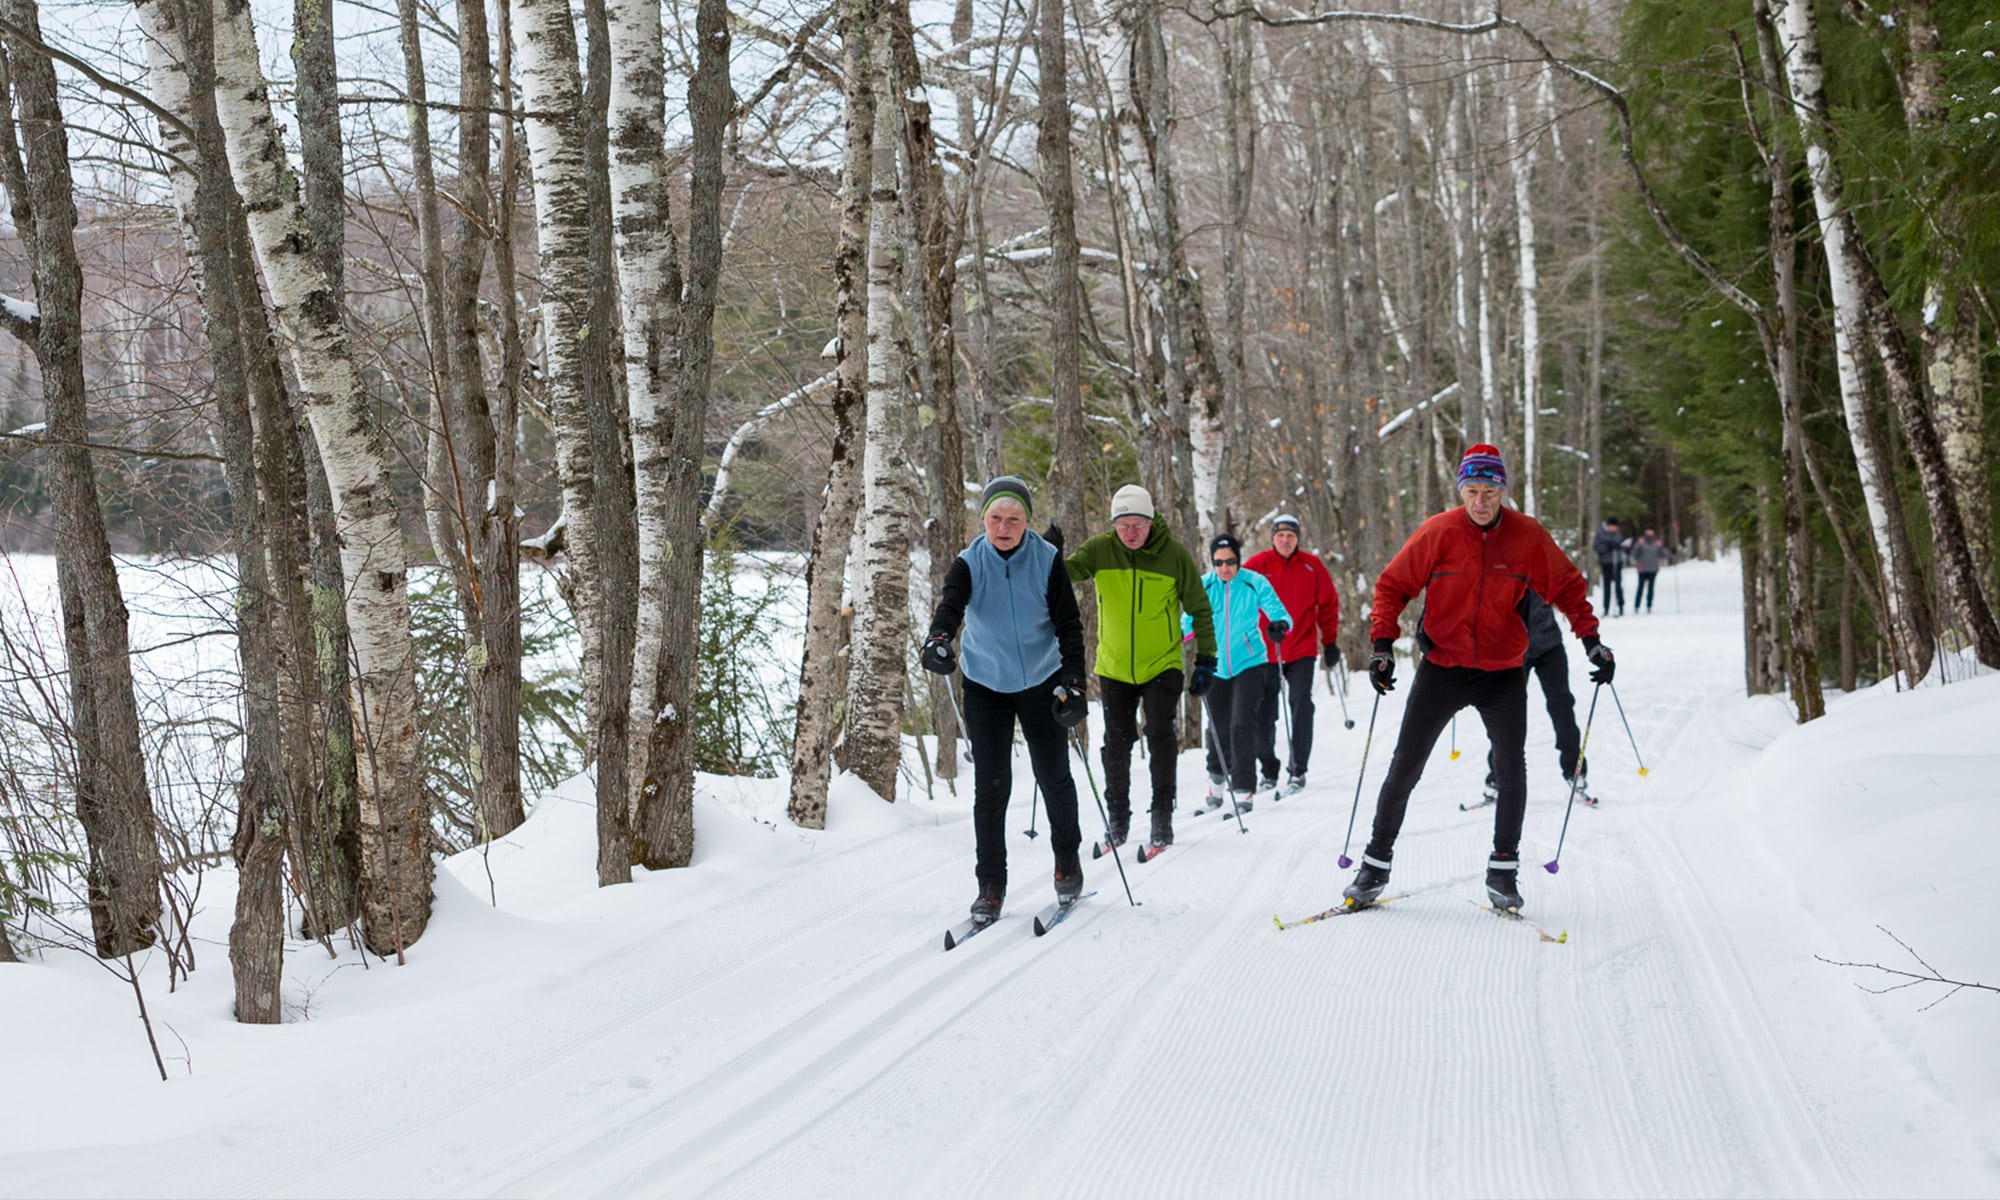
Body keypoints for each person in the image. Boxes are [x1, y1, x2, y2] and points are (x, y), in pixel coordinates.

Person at [1344, 445, 1611, 914]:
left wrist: (1592, 641)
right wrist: (1383, 646)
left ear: (1502, 491)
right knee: (1405, 765)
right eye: (1472, 491)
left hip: (1503, 670)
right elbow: (1392, 586)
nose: (1481, 501)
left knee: (1511, 769)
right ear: (1461, 491)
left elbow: (1568, 587)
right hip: (1443, 667)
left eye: (1490, 492)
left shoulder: (1527, 536)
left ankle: (1503, 870)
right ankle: (1375, 863)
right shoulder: (1438, 532)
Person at [922, 476, 1089, 927]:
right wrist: (938, 640)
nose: (1003, 527)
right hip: (986, 684)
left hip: (1043, 679)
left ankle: (1067, 864)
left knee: (1054, 777)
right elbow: (950, 607)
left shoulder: (1048, 560)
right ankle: (990, 886)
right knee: (991, 788)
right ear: (983, 521)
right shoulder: (968, 562)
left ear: (1027, 522)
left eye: (1013, 519)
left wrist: (1074, 683)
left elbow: (1069, 626)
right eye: (995, 518)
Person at [1065, 484, 1216, 852]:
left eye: (1138, 524)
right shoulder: (1099, 550)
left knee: (1161, 734)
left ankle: (1161, 818)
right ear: (1113, 524)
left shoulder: (1174, 555)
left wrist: (1206, 660)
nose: (1131, 533)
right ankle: (1118, 820)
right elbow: (1062, 575)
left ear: (1151, 522)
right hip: (1114, 666)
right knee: (1116, 743)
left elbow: (1200, 609)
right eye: (1123, 525)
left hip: (1162, 662)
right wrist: (1047, 553)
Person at [1184, 534, 1290, 814]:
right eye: (1218, 563)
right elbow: (1187, 621)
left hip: (1251, 663)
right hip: (1216, 665)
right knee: (1217, 726)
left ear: (1238, 560)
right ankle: (1217, 783)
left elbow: (1279, 612)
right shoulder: (1204, 585)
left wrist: (1279, 625)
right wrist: (1175, 635)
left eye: (1230, 561)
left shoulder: (1253, 582)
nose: (1224, 568)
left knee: (1241, 722)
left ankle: (1243, 789)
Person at [1243, 513, 1342, 795]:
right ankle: (1268, 770)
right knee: (1264, 712)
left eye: (1290, 536)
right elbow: (1239, 600)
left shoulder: (1312, 566)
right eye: (1280, 536)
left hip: (1301, 648)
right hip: (1264, 651)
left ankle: (1298, 770)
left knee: (1301, 705)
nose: (1285, 541)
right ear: (1272, 538)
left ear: (1297, 539)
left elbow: (1328, 605)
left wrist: (1331, 642)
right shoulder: (1257, 566)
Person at [1481, 590, 1590, 806]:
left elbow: (1565, 591)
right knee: (1507, 715)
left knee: (1562, 707)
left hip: (1549, 646)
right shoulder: (1502, 567)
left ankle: (1575, 773)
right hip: (1515, 650)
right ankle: (1497, 776)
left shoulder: (1541, 561)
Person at [1592, 517, 1627, 617]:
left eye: (1615, 527)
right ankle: (1606, 607)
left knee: (1618, 585)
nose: (1614, 529)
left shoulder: (1617, 533)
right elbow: (1596, 547)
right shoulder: (1601, 533)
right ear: (1608, 525)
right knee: (1607, 586)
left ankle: (1620, 606)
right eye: (1612, 527)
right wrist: (1607, 546)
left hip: (1617, 561)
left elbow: (1621, 544)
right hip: (1606, 562)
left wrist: (1620, 546)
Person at [1630, 527, 1667, 613]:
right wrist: (1634, 559)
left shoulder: (1657, 543)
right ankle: (1637, 606)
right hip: (1642, 569)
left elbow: (1663, 553)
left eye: (1651, 531)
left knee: (1651, 588)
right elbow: (1634, 553)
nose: (1650, 532)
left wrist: (1672, 552)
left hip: (1653, 569)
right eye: (1648, 531)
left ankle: (1649, 605)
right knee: (1640, 587)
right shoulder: (1641, 542)